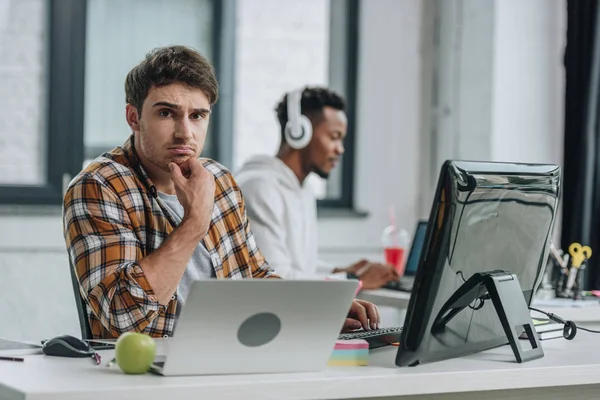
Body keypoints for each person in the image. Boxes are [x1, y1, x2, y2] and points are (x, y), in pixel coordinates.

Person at [62, 46, 380, 339]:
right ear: (134, 117)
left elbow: (255, 277)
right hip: (146, 373)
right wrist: (195, 222)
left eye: (197, 115)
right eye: (166, 113)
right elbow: (124, 316)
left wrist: (319, 311)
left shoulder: (220, 180)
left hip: (231, 356)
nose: (185, 132)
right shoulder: (99, 186)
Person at [235, 86, 398, 289]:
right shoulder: (259, 187)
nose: (340, 149)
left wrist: (341, 271)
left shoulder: (302, 189)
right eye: (334, 137)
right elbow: (274, 279)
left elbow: (300, 268)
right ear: (299, 132)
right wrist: (356, 282)